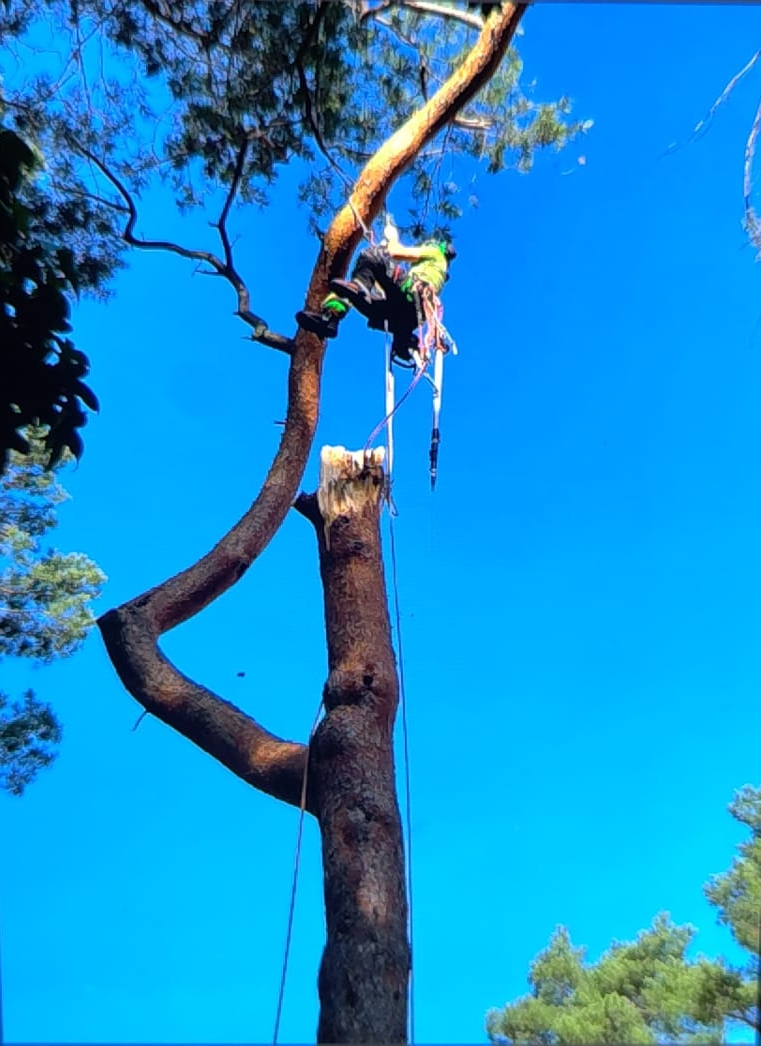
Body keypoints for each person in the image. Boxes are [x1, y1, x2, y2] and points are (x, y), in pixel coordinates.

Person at [296, 231, 456, 362]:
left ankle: (352, 294)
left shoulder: (435, 252)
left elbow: (396, 253)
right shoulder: (438, 272)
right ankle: (330, 319)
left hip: (409, 297)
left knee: (372, 255)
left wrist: (392, 237)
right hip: (406, 317)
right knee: (356, 295)